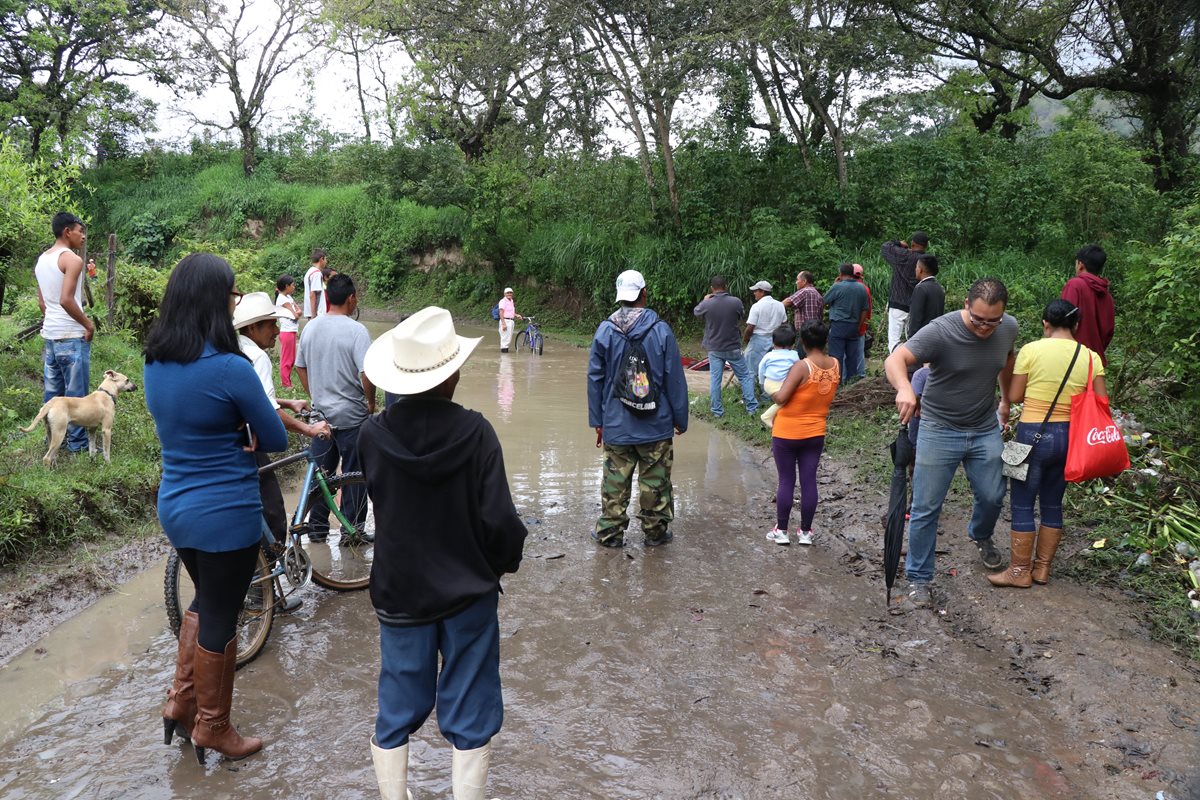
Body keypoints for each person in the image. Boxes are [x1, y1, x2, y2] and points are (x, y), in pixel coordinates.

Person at [359, 306, 527, 800]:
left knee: (397, 704)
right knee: (471, 706)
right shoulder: (477, 433)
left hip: (400, 592)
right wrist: (498, 565)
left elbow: (383, 504)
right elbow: (499, 522)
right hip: (467, 593)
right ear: (451, 374)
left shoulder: (372, 436)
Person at [145, 253, 289, 762]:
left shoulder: (154, 362)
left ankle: (180, 701)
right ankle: (214, 726)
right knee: (222, 615)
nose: (234, 303)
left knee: (207, 600)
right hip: (226, 511)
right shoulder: (231, 368)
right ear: (214, 301)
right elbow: (274, 437)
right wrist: (245, 428)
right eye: (232, 294)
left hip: (176, 507)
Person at [884, 278, 1018, 611]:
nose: (985, 327)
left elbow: (1007, 359)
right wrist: (905, 388)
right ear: (966, 305)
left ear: (1003, 314)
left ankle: (981, 534)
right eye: (978, 319)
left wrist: (1005, 400)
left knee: (993, 494)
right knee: (926, 507)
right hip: (938, 428)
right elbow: (895, 359)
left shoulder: (1008, 328)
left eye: (992, 321)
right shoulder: (940, 331)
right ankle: (919, 578)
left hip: (984, 427)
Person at [990, 299, 1106, 589]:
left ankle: (1019, 571)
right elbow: (1102, 401)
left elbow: (1015, 396)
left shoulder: (1032, 350)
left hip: (1032, 433)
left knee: (1022, 502)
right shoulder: (1090, 357)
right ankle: (1042, 569)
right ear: (1076, 325)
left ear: (1045, 324)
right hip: (1070, 437)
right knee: (1053, 503)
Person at [588, 269, 689, 548]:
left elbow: (595, 378)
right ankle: (655, 532)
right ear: (644, 293)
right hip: (656, 423)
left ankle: (610, 532)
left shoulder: (605, 330)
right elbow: (674, 378)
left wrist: (598, 420)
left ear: (620, 296)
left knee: (615, 481)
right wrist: (680, 419)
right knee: (655, 481)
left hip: (616, 423)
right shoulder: (661, 330)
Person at [233, 292, 331, 558]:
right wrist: (309, 429)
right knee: (274, 511)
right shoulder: (257, 357)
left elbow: (253, 397)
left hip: (228, 441)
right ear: (253, 328)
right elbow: (268, 411)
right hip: (248, 442)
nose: (277, 331)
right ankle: (271, 577)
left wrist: (288, 402)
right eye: (271, 325)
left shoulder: (235, 348)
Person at [294, 273, 376, 543]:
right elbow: (367, 373)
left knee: (321, 475)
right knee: (355, 475)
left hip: (320, 418)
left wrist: (314, 394)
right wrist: (371, 402)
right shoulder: (357, 331)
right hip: (352, 416)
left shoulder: (310, 328)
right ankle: (352, 532)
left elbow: (299, 366)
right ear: (351, 298)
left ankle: (316, 531)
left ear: (327, 298)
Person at [766, 321, 840, 546]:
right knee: (809, 481)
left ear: (802, 342)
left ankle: (781, 531)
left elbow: (782, 397)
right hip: (815, 432)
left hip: (787, 432)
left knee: (786, 480)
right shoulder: (835, 364)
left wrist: (771, 388)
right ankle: (806, 532)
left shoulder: (801, 366)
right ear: (825, 341)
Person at [34, 212, 95, 455]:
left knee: (53, 395)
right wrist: (88, 325)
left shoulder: (42, 260)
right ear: (67, 232)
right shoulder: (72, 260)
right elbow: (66, 300)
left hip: (50, 335)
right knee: (76, 397)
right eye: (81, 231)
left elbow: (43, 303)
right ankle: (77, 446)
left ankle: (52, 441)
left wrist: (53, 321)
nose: (83, 236)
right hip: (71, 336)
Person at [694, 275, 758, 417]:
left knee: (715, 380)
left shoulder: (707, 303)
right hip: (732, 346)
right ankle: (752, 409)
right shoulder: (736, 302)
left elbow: (696, 312)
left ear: (712, 288)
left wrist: (704, 300)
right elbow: (740, 315)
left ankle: (717, 411)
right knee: (745, 377)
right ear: (726, 286)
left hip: (714, 348)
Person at [1061, 244, 1115, 365]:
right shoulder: (1107, 296)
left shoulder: (1075, 285)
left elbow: (1063, 321)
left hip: (1072, 358)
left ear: (1080, 265)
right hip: (1095, 361)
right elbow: (1109, 332)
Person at [881, 231, 929, 353]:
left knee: (894, 340)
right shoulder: (926, 260)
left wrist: (898, 243)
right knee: (913, 341)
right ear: (926, 245)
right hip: (916, 306)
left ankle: (895, 362)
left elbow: (885, 247)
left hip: (898, 302)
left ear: (912, 243)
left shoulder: (904, 255)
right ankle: (911, 363)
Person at [823, 263, 870, 384]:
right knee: (852, 356)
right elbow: (865, 310)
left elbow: (824, 300)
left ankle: (836, 384)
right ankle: (851, 383)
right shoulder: (862, 288)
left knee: (836, 356)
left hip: (838, 325)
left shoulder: (838, 287)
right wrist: (859, 325)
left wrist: (834, 284)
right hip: (854, 325)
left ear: (841, 274)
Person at [743, 280, 787, 390]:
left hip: (758, 340)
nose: (754, 293)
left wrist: (746, 339)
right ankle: (766, 395)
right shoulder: (780, 305)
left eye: (756, 291)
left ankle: (750, 396)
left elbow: (750, 327)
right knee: (769, 370)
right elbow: (784, 324)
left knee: (750, 370)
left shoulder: (757, 306)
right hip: (775, 340)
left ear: (762, 292)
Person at [758, 325, 800, 426]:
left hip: (768, 383)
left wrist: (761, 382)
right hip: (781, 384)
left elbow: (761, 368)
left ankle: (779, 417)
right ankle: (767, 416)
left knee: (783, 402)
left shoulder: (768, 355)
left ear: (773, 343)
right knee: (786, 400)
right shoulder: (794, 354)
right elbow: (798, 369)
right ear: (792, 344)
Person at [906, 256, 944, 341]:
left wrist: (911, 339)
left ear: (920, 270)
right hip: (935, 335)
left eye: (916, 267)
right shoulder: (939, 288)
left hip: (921, 337)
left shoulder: (920, 288)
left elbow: (916, 317)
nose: (915, 269)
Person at [274, 275, 301, 388]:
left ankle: (288, 382)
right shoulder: (283, 299)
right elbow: (296, 315)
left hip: (291, 330)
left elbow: (299, 311)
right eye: (292, 285)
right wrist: (297, 313)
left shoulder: (288, 297)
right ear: (286, 286)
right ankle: (286, 384)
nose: (294, 287)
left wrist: (297, 313)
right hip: (287, 332)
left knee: (291, 358)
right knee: (287, 358)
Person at [850, 263, 872, 380]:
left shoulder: (847, 286)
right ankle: (860, 376)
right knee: (859, 353)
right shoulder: (865, 288)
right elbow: (868, 309)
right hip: (861, 325)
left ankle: (849, 376)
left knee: (847, 353)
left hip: (848, 325)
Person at [303, 249, 327, 320]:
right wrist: (314, 317)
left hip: (311, 313)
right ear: (321, 259)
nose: (326, 262)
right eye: (325, 259)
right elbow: (313, 294)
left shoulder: (310, 271)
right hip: (317, 314)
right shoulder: (316, 273)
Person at [497, 287, 523, 352]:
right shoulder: (502, 301)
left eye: (510, 293)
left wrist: (516, 315)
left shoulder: (511, 301)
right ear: (504, 294)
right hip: (505, 321)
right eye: (507, 293)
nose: (509, 294)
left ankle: (505, 354)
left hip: (511, 321)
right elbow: (501, 313)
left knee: (508, 339)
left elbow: (510, 312)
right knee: (505, 340)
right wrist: (503, 324)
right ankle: (504, 355)